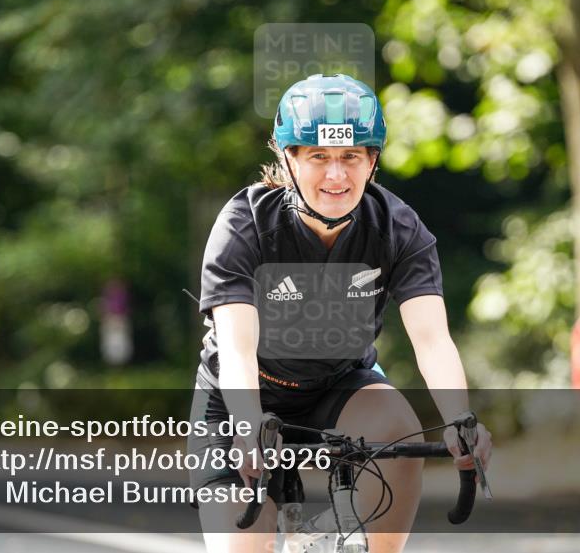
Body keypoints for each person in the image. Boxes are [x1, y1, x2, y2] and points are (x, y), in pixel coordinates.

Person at [187, 73, 492, 553]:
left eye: (351, 156)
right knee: (242, 545)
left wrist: (459, 418)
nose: (336, 175)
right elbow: (237, 348)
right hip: (241, 395)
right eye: (318, 157)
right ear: (288, 159)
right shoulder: (245, 224)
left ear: (372, 161)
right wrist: (248, 426)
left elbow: (432, 340)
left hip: (338, 385)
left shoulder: (397, 227)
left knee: (398, 420)